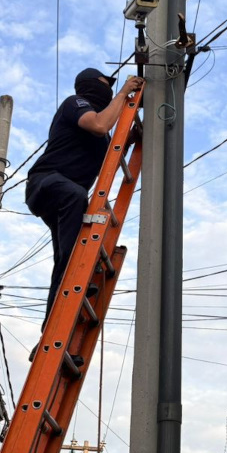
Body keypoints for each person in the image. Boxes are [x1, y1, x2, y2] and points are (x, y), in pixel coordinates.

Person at [26, 68, 144, 325]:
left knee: (64, 257)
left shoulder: (101, 134)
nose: (109, 88)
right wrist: (124, 93)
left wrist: (131, 139)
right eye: (105, 83)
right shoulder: (75, 104)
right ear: (90, 84)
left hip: (65, 198)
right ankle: (77, 273)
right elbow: (99, 125)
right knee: (76, 199)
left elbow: (111, 154)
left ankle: (51, 323)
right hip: (46, 183)